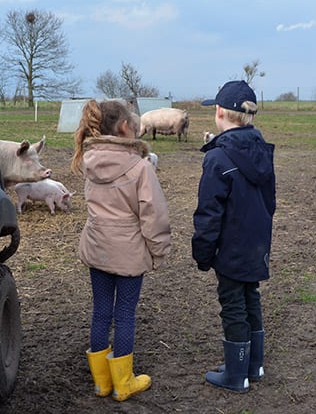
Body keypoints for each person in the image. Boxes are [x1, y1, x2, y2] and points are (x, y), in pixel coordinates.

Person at [71, 99, 172, 402]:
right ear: (127, 127)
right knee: (125, 314)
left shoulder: (88, 161)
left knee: (101, 312)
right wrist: (158, 252)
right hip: (128, 253)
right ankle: (123, 382)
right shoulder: (140, 167)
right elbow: (154, 215)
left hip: (97, 248)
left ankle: (102, 382)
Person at [191, 80, 276, 392]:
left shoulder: (218, 158)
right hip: (256, 243)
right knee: (250, 296)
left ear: (218, 112)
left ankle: (236, 376)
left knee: (233, 305)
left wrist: (203, 252)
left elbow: (208, 213)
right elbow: (270, 201)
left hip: (230, 248)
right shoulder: (262, 149)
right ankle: (254, 365)